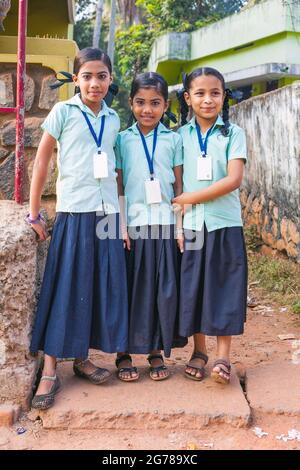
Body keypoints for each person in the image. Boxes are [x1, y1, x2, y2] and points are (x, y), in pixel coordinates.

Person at [28, 47, 128, 409]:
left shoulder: (115, 118)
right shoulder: (63, 112)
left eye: (101, 76)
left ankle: (82, 359)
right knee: (67, 287)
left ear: (110, 79)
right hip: (74, 211)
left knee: (97, 287)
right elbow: (41, 160)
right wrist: (34, 211)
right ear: (76, 79)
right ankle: (51, 370)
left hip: (105, 215)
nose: (94, 83)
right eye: (87, 76)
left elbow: (115, 171)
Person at [173, 67, 248, 384]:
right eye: (200, 93)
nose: (208, 100)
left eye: (215, 93)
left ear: (224, 96)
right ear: (188, 98)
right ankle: (199, 351)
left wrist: (191, 197)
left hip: (225, 223)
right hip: (191, 226)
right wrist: (179, 221)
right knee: (195, 288)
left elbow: (233, 179)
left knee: (225, 287)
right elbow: (176, 188)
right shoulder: (178, 137)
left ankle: (223, 357)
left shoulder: (233, 134)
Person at [115, 72, 184, 382]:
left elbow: (179, 185)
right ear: (131, 103)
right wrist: (122, 224)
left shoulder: (174, 139)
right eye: (140, 102)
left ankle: (155, 349)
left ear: (165, 105)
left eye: (155, 103)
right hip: (135, 226)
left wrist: (180, 226)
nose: (147, 110)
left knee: (160, 290)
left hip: (165, 225)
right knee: (131, 288)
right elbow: (118, 185)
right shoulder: (121, 139)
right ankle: (124, 352)